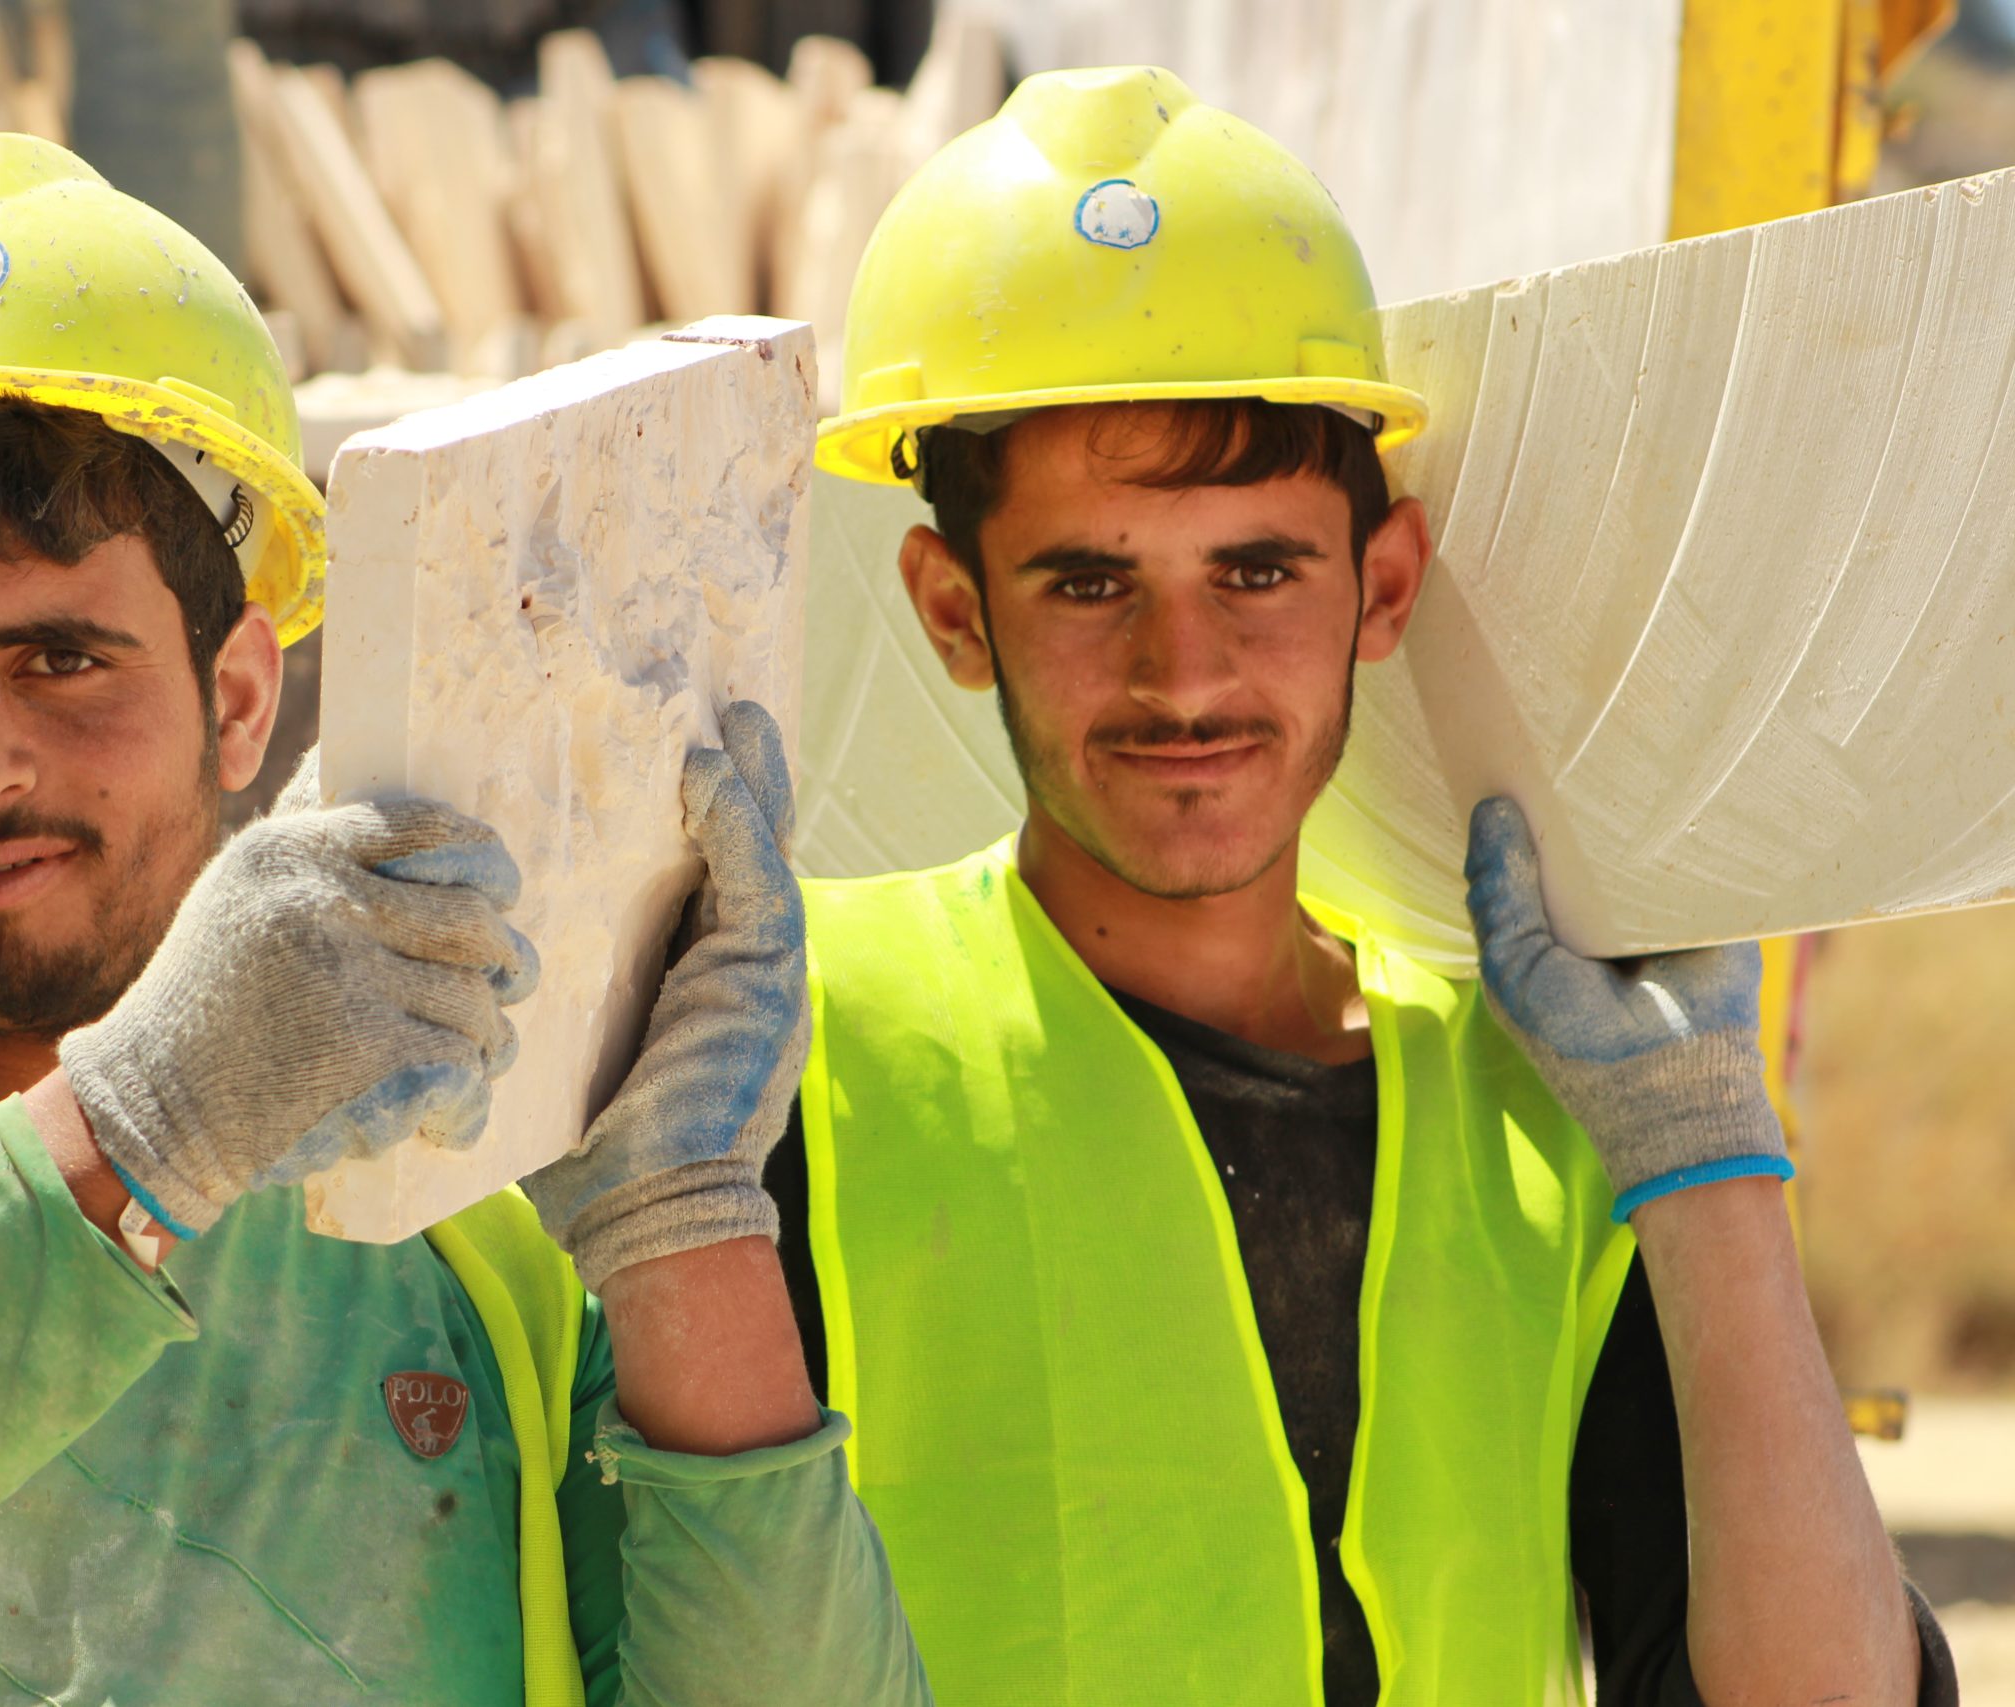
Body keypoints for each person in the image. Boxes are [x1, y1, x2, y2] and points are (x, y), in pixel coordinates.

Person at [0, 134, 927, 1707]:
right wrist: (156, 1114)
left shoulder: (493, 1278)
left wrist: (683, 1225)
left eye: (63, 661)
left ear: (238, 705)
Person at [773, 64, 1955, 1705]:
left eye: (1257, 571)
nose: (1184, 673)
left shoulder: (1542, 1111)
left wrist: (1705, 1164)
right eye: (1089, 581)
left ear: (1381, 586)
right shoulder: (788, 1056)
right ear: (954, 610)